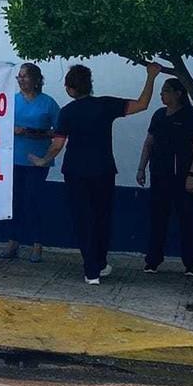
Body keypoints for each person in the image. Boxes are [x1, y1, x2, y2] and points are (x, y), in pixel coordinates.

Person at [31, 62, 161, 285]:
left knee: (83, 220)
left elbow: (57, 145)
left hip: (76, 172)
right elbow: (142, 104)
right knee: (102, 218)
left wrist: (43, 160)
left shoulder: (67, 112)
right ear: (89, 85)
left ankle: (91, 270)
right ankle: (99, 263)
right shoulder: (105, 105)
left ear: (70, 89)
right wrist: (151, 76)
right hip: (103, 170)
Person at [136, 78, 193, 277]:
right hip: (160, 174)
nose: (162, 95)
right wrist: (142, 168)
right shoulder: (159, 115)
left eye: (166, 91)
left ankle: (191, 264)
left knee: (187, 220)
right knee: (158, 218)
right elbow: (149, 142)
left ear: (178, 93)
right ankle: (153, 260)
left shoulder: (192, 116)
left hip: (183, 176)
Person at [3, 62, 64, 263]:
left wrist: (38, 133)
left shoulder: (48, 103)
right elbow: (0, 125)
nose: (21, 80)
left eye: (25, 76)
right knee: (15, 202)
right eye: (19, 76)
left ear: (36, 80)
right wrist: (12, 130)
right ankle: (13, 242)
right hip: (14, 158)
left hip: (37, 161)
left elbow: (60, 130)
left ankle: (37, 244)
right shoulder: (12, 101)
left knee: (33, 200)